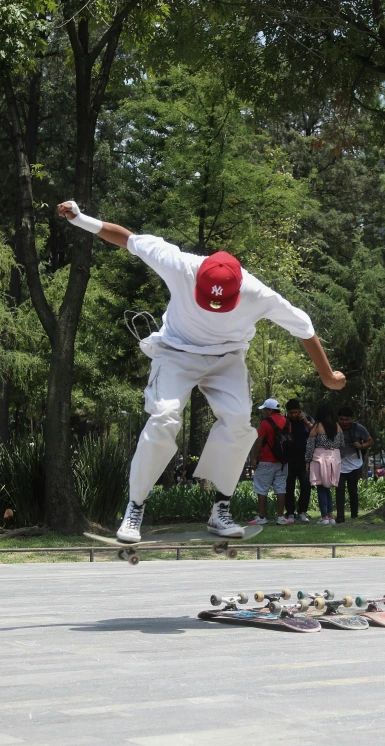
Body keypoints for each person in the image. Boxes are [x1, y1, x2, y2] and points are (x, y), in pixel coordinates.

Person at [57, 200, 346, 542]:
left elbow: (304, 328)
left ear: (239, 291)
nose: (213, 308)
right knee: (163, 417)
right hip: (175, 352)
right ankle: (135, 507)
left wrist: (327, 374)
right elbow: (127, 239)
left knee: (239, 423)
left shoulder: (258, 293)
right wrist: (80, 219)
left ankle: (220, 509)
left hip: (226, 359)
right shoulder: (180, 265)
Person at [250, 399, 292, 525]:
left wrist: (254, 458)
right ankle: (280, 517)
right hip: (283, 461)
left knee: (262, 489)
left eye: (264, 410)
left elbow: (259, 441)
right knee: (280, 488)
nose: (264, 412)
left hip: (266, 460)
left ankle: (262, 517)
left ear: (269, 410)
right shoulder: (286, 422)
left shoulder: (266, 423)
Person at [305, 404, 344, 524]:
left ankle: (324, 517)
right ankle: (331, 516)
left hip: (320, 458)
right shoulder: (338, 426)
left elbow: (310, 445)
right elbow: (342, 444)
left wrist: (307, 461)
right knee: (327, 488)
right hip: (335, 457)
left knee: (321, 487)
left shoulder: (317, 426)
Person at [335, 406, 373, 523]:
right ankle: (340, 516)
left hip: (354, 464)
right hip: (338, 464)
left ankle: (354, 515)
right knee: (339, 490)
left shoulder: (359, 428)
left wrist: (361, 446)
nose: (344, 422)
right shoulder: (334, 428)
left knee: (353, 490)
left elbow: (370, 441)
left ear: (352, 419)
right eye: (342, 419)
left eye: (347, 420)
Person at [284, 398, 314, 523]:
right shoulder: (284, 420)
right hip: (289, 458)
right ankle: (290, 512)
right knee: (288, 486)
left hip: (304, 459)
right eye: (291, 413)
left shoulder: (307, 418)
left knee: (306, 485)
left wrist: (306, 422)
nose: (294, 415)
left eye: (296, 412)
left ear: (300, 411)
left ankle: (302, 511)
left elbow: (316, 432)